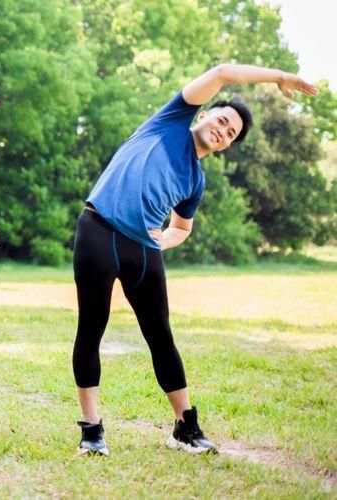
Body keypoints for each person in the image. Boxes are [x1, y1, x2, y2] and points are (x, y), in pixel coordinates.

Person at [73, 64, 318, 455]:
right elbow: (222, 72)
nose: (223, 130)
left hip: (143, 250)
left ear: (225, 146)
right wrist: (278, 78)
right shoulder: (169, 122)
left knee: (161, 337)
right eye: (222, 120)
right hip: (98, 232)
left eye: (231, 133)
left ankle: (185, 427)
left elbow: (182, 228)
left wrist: (162, 240)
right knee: (92, 329)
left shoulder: (195, 181)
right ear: (203, 114)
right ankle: (92, 430)